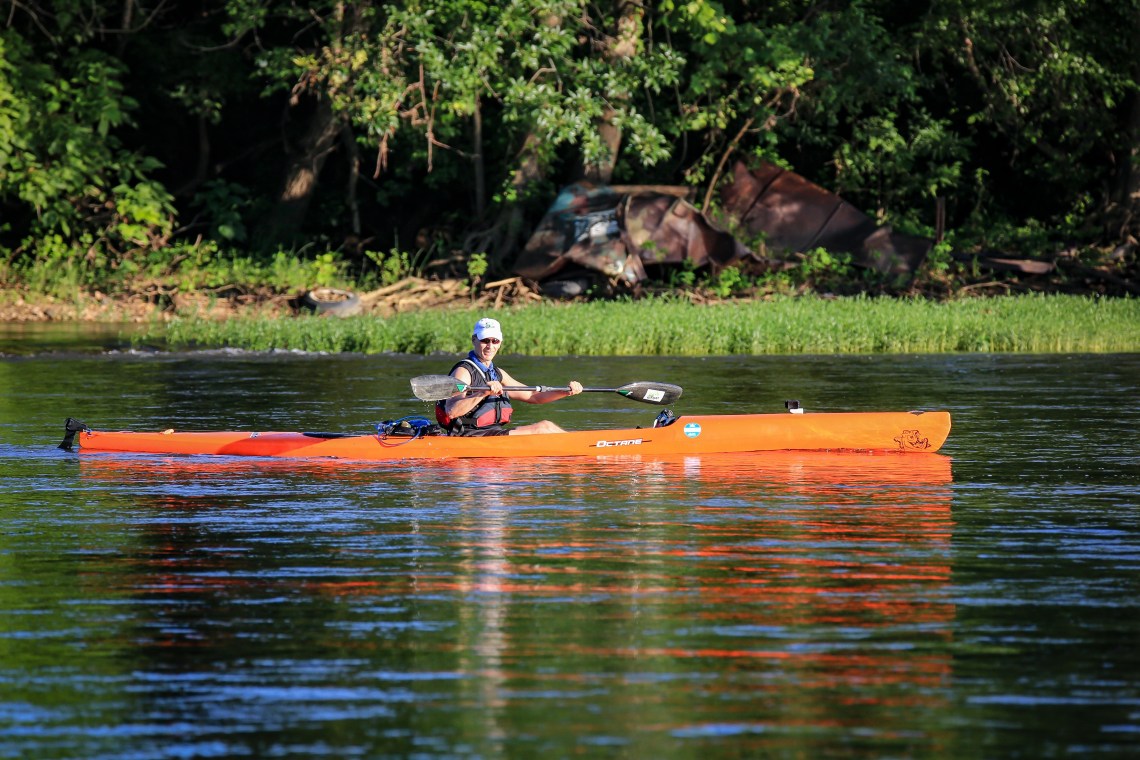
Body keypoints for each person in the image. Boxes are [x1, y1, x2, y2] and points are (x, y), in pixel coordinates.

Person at [436, 317, 583, 436]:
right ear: (474, 340)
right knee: (543, 428)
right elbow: (452, 411)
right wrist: (483, 392)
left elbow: (534, 396)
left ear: (500, 343)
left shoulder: (498, 373)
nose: (490, 346)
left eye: (495, 341)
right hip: (470, 435)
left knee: (547, 426)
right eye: (485, 340)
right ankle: (582, 448)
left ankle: (579, 446)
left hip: (492, 433)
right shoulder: (464, 371)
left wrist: (565, 391)